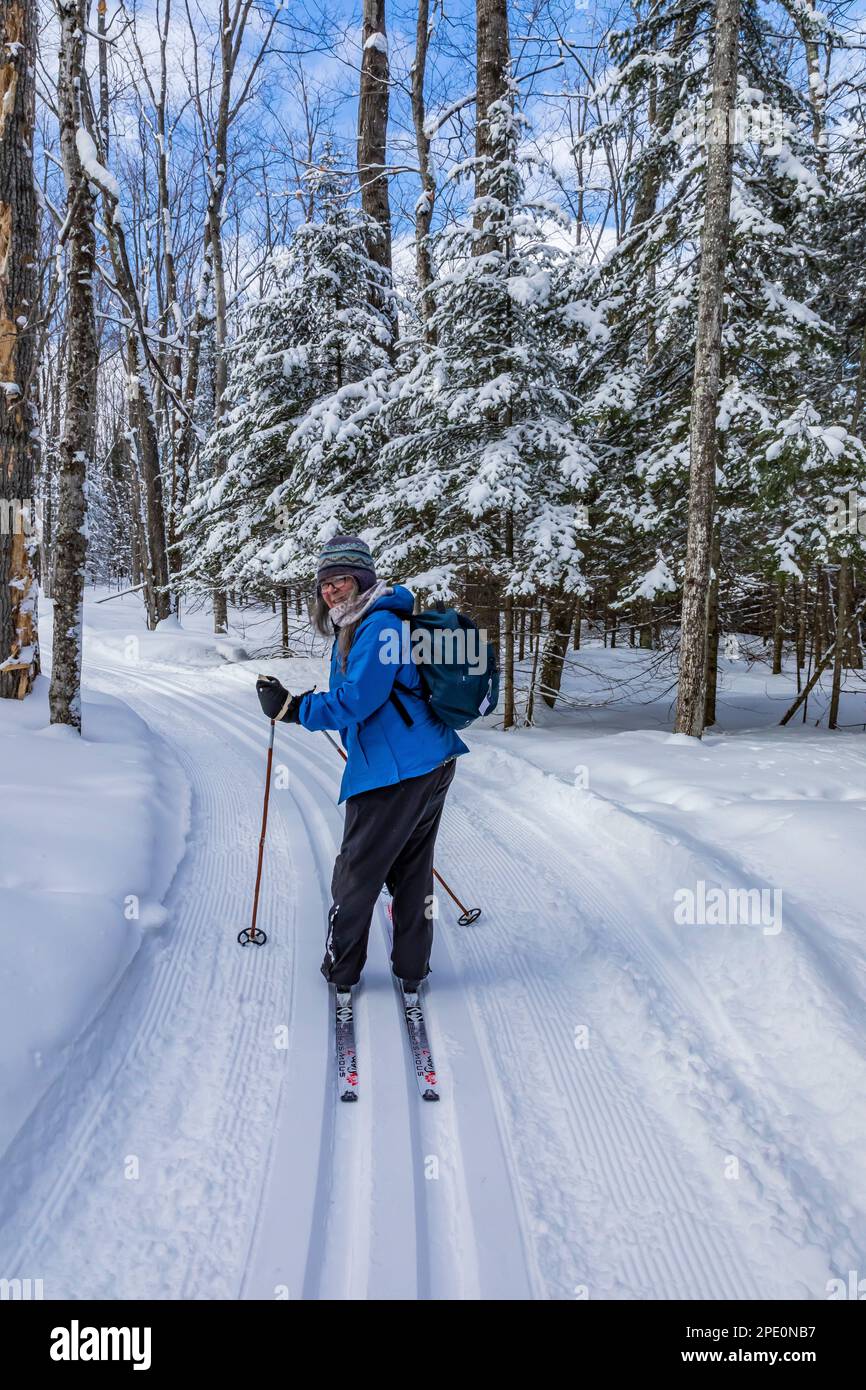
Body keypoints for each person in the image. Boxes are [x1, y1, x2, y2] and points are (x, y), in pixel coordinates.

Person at [256, 535, 468, 993]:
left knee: (357, 872)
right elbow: (364, 694)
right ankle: (412, 970)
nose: (331, 591)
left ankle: (343, 970)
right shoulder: (366, 621)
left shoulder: (379, 626)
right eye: (325, 584)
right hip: (424, 760)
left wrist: (295, 709)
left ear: (362, 580)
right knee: (411, 869)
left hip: (399, 770)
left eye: (341, 580)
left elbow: (359, 699)